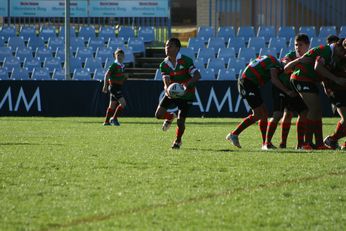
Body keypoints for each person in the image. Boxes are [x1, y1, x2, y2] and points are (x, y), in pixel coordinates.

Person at [286, 38, 346, 149]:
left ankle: (319, 144)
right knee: (313, 110)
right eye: (343, 51)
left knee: (317, 111)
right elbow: (317, 67)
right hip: (301, 77)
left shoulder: (332, 54)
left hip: (308, 79)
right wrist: (336, 79)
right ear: (337, 46)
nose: (343, 54)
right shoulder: (326, 50)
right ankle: (306, 143)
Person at [226, 55, 296, 149]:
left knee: (264, 114)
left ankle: (265, 143)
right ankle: (234, 134)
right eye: (288, 62)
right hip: (248, 82)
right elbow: (274, 80)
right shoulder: (276, 65)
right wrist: (287, 91)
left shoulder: (272, 59)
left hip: (250, 83)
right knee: (258, 114)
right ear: (283, 61)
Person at [264, 34, 310, 149]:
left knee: (303, 112)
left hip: (295, 89)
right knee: (281, 114)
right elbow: (285, 67)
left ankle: (300, 144)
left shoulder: (311, 57)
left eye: (300, 45)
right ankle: (268, 143)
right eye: (296, 45)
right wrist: (299, 61)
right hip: (281, 87)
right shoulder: (290, 56)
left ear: (307, 45)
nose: (297, 47)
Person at [155, 38, 201, 149]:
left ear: (177, 48)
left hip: (187, 94)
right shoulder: (164, 64)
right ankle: (170, 116)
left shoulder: (186, 61)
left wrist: (186, 85)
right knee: (158, 115)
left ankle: (178, 141)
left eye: (170, 46)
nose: (167, 48)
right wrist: (167, 89)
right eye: (166, 45)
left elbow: (197, 75)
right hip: (172, 92)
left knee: (180, 121)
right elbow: (166, 80)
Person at [322, 37, 346, 149]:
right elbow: (324, 73)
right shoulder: (334, 58)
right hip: (337, 91)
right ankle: (332, 139)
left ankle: (333, 140)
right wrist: (326, 87)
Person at [102, 48, 128, 126]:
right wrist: (105, 86)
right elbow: (107, 75)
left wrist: (125, 77)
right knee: (123, 104)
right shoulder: (114, 65)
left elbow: (120, 77)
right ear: (115, 56)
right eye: (118, 55)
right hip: (114, 87)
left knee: (112, 105)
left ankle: (106, 122)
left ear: (124, 57)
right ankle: (114, 118)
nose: (120, 57)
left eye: (121, 55)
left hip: (118, 87)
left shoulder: (122, 66)